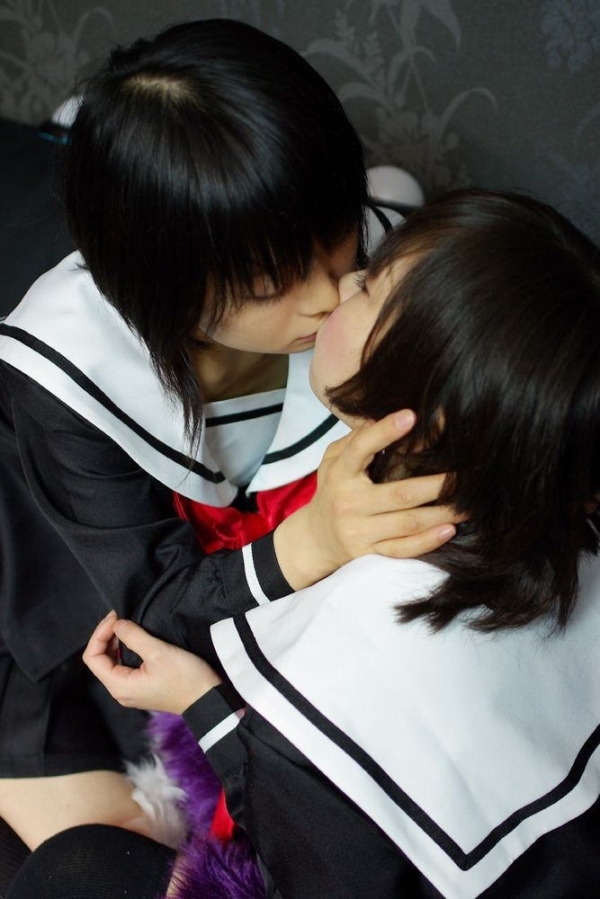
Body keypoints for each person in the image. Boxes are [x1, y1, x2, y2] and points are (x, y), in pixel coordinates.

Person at [15, 188, 600, 899]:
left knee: (72, 868)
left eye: (369, 289)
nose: (341, 287)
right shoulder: (561, 511)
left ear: (426, 420)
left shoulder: (359, 647)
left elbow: (308, 862)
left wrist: (204, 705)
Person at [0, 17, 457, 868]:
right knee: (115, 854)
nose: (328, 296)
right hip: (81, 609)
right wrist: (311, 542)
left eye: (336, 241)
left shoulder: (368, 272)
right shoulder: (65, 370)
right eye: (273, 281)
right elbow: (145, 613)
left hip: (262, 594)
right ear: (159, 285)